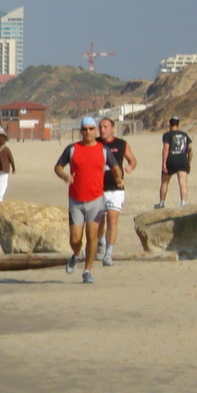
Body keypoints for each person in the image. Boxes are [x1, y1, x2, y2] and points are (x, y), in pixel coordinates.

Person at [54, 116, 117, 284]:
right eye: (84, 129)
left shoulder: (103, 150)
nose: (87, 132)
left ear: (95, 130)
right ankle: (76, 254)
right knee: (75, 239)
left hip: (96, 200)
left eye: (90, 129)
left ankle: (87, 271)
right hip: (75, 200)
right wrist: (65, 176)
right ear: (80, 131)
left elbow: (116, 167)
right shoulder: (72, 149)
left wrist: (119, 179)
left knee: (92, 237)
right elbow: (58, 167)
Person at [96, 117, 137, 266]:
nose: (102, 129)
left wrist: (130, 167)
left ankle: (108, 254)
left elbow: (132, 160)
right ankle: (100, 243)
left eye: (106, 126)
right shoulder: (95, 143)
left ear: (113, 128)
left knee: (112, 221)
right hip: (97, 188)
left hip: (116, 188)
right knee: (99, 221)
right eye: (100, 127)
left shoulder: (121, 144)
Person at [158, 117, 193, 208]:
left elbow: (166, 149)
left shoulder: (167, 135)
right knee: (183, 183)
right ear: (178, 124)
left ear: (170, 125)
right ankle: (183, 203)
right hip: (182, 160)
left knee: (165, 182)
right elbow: (190, 150)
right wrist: (188, 161)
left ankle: (162, 202)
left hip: (171, 160)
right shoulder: (185, 135)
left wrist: (164, 163)